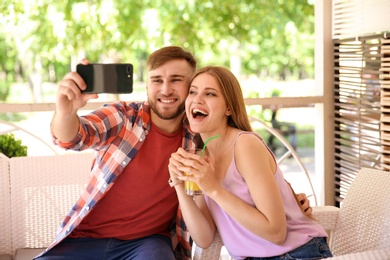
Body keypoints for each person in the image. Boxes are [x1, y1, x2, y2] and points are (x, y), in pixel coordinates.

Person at [36, 46, 312, 260]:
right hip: (85, 238)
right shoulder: (124, 117)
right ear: (147, 86)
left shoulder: (198, 142)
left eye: (177, 81)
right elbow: (74, 136)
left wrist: (292, 199)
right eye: (157, 80)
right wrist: (65, 111)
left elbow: (252, 175)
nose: (166, 89)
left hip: (146, 244)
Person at [168, 66, 332, 260]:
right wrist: (178, 184)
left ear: (229, 107)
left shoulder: (245, 145)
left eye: (210, 93)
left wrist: (213, 189)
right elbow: (204, 238)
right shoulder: (203, 157)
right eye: (193, 91)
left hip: (296, 253)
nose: (197, 99)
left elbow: (276, 233)